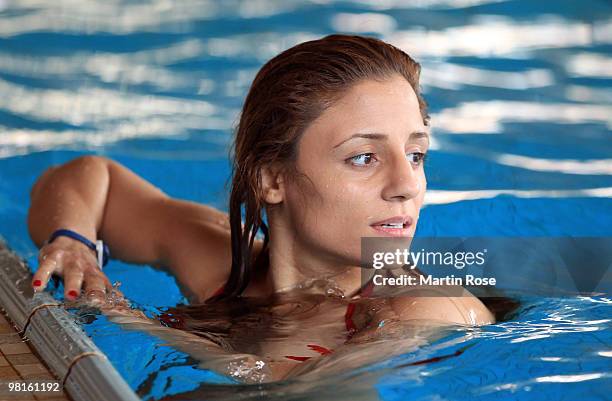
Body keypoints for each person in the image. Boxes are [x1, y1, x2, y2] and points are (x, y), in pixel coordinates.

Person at [27, 34, 495, 381]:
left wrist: (122, 315)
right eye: (364, 158)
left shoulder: (427, 309)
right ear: (272, 179)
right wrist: (73, 242)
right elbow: (88, 176)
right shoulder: (224, 261)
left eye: (416, 155)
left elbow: (278, 388)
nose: (406, 185)